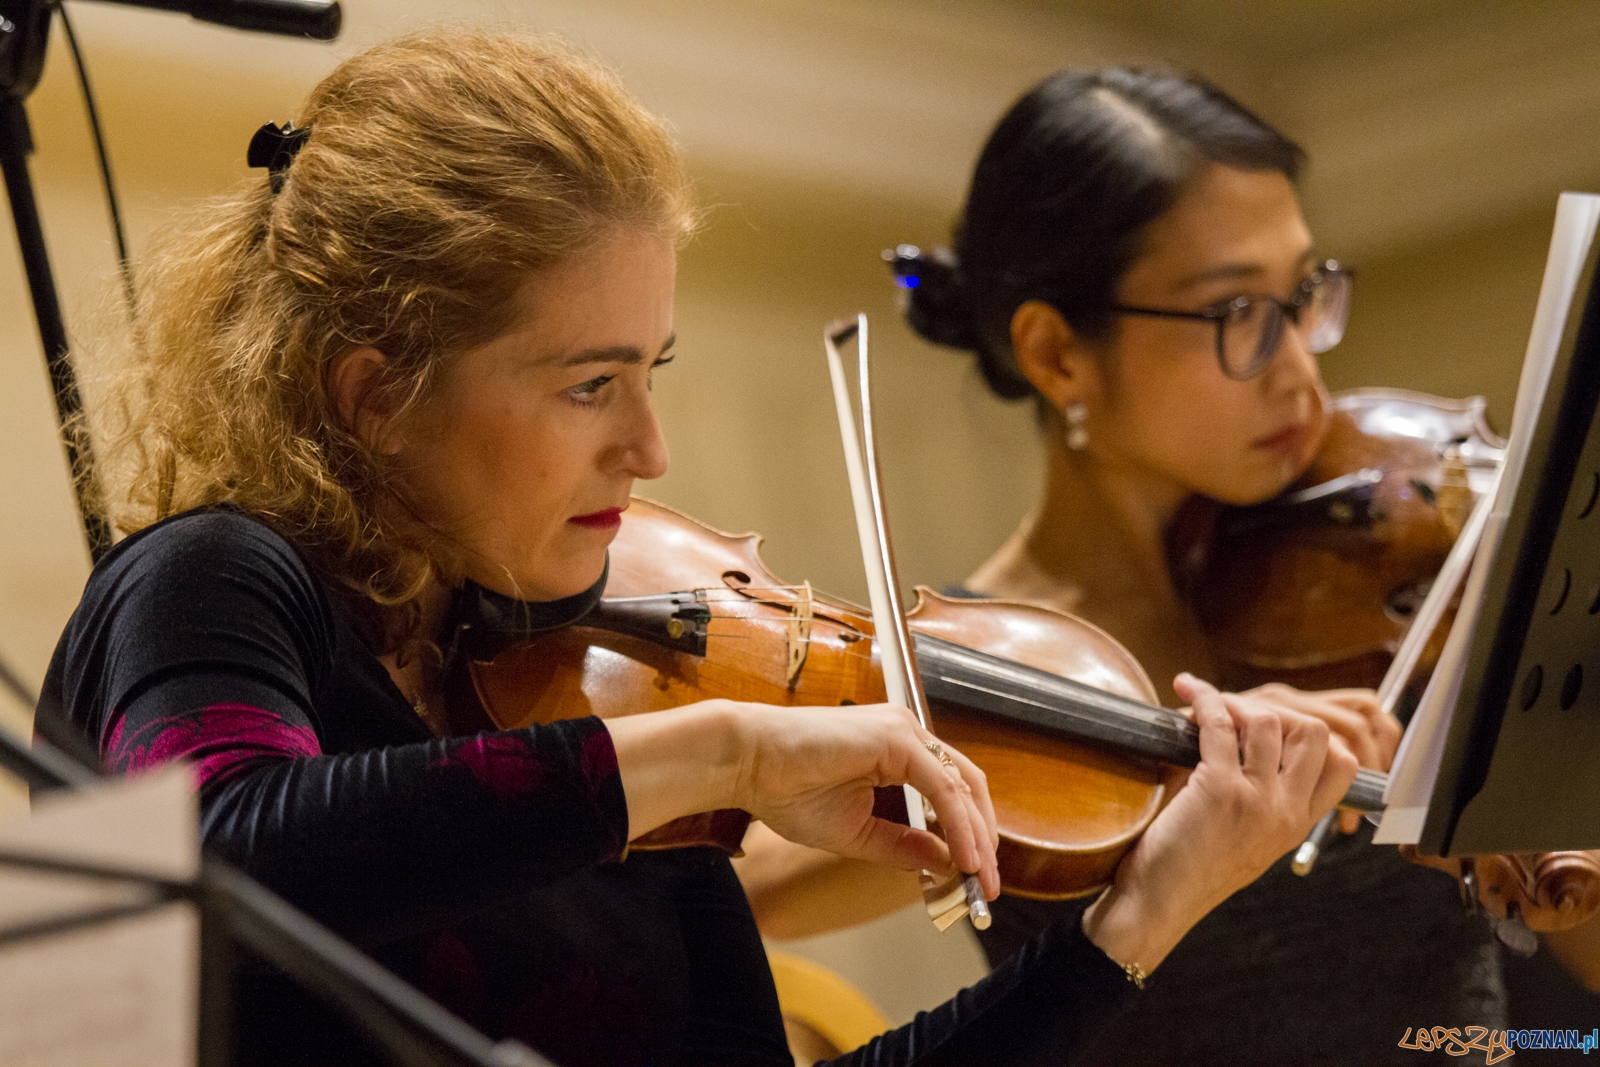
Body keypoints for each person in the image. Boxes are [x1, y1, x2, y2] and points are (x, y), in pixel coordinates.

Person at [35, 34, 1358, 1067]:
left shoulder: (600, 688)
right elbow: (215, 844)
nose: (650, 447)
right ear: (378, 393)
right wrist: (725, 754)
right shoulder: (214, 581)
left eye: (650, 372)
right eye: (589, 384)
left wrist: (1139, 916)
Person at [875, 67, 1600, 1062]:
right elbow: (759, 891)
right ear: (1056, 355)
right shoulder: (977, 666)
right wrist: (1160, 766)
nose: (1300, 369)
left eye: (1299, 296)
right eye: (1235, 315)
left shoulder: (1391, 577)